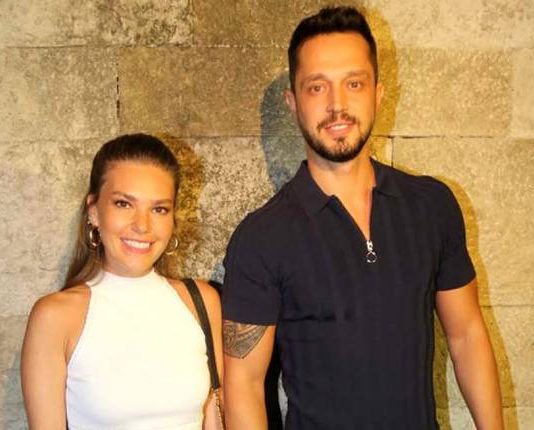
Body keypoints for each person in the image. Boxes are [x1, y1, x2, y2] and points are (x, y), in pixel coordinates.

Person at [222, 6, 503, 429]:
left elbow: (466, 335)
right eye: (317, 87)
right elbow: (243, 383)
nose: (337, 105)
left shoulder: (431, 206)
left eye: (354, 83)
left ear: (378, 93)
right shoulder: (262, 238)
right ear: (293, 102)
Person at [21, 134, 223, 429]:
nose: (142, 225)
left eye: (159, 209)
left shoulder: (201, 301)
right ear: (94, 212)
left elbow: (214, 418)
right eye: (124, 204)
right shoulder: (55, 316)